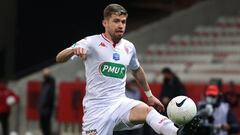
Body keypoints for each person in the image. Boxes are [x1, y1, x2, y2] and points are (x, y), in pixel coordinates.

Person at [56, 3, 201, 135]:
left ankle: (178, 132)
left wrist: (149, 96)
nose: (120, 25)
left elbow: (136, 69)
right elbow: (59, 57)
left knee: (148, 112)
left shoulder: (128, 47)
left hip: (120, 104)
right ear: (105, 23)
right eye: (116, 21)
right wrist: (73, 51)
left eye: (123, 22)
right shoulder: (91, 42)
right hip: (97, 109)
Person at [38, 68, 55, 135]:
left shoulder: (51, 82)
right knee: (42, 125)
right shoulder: (44, 83)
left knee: (46, 125)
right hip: (42, 107)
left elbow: (50, 95)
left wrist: (48, 73)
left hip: (47, 107)